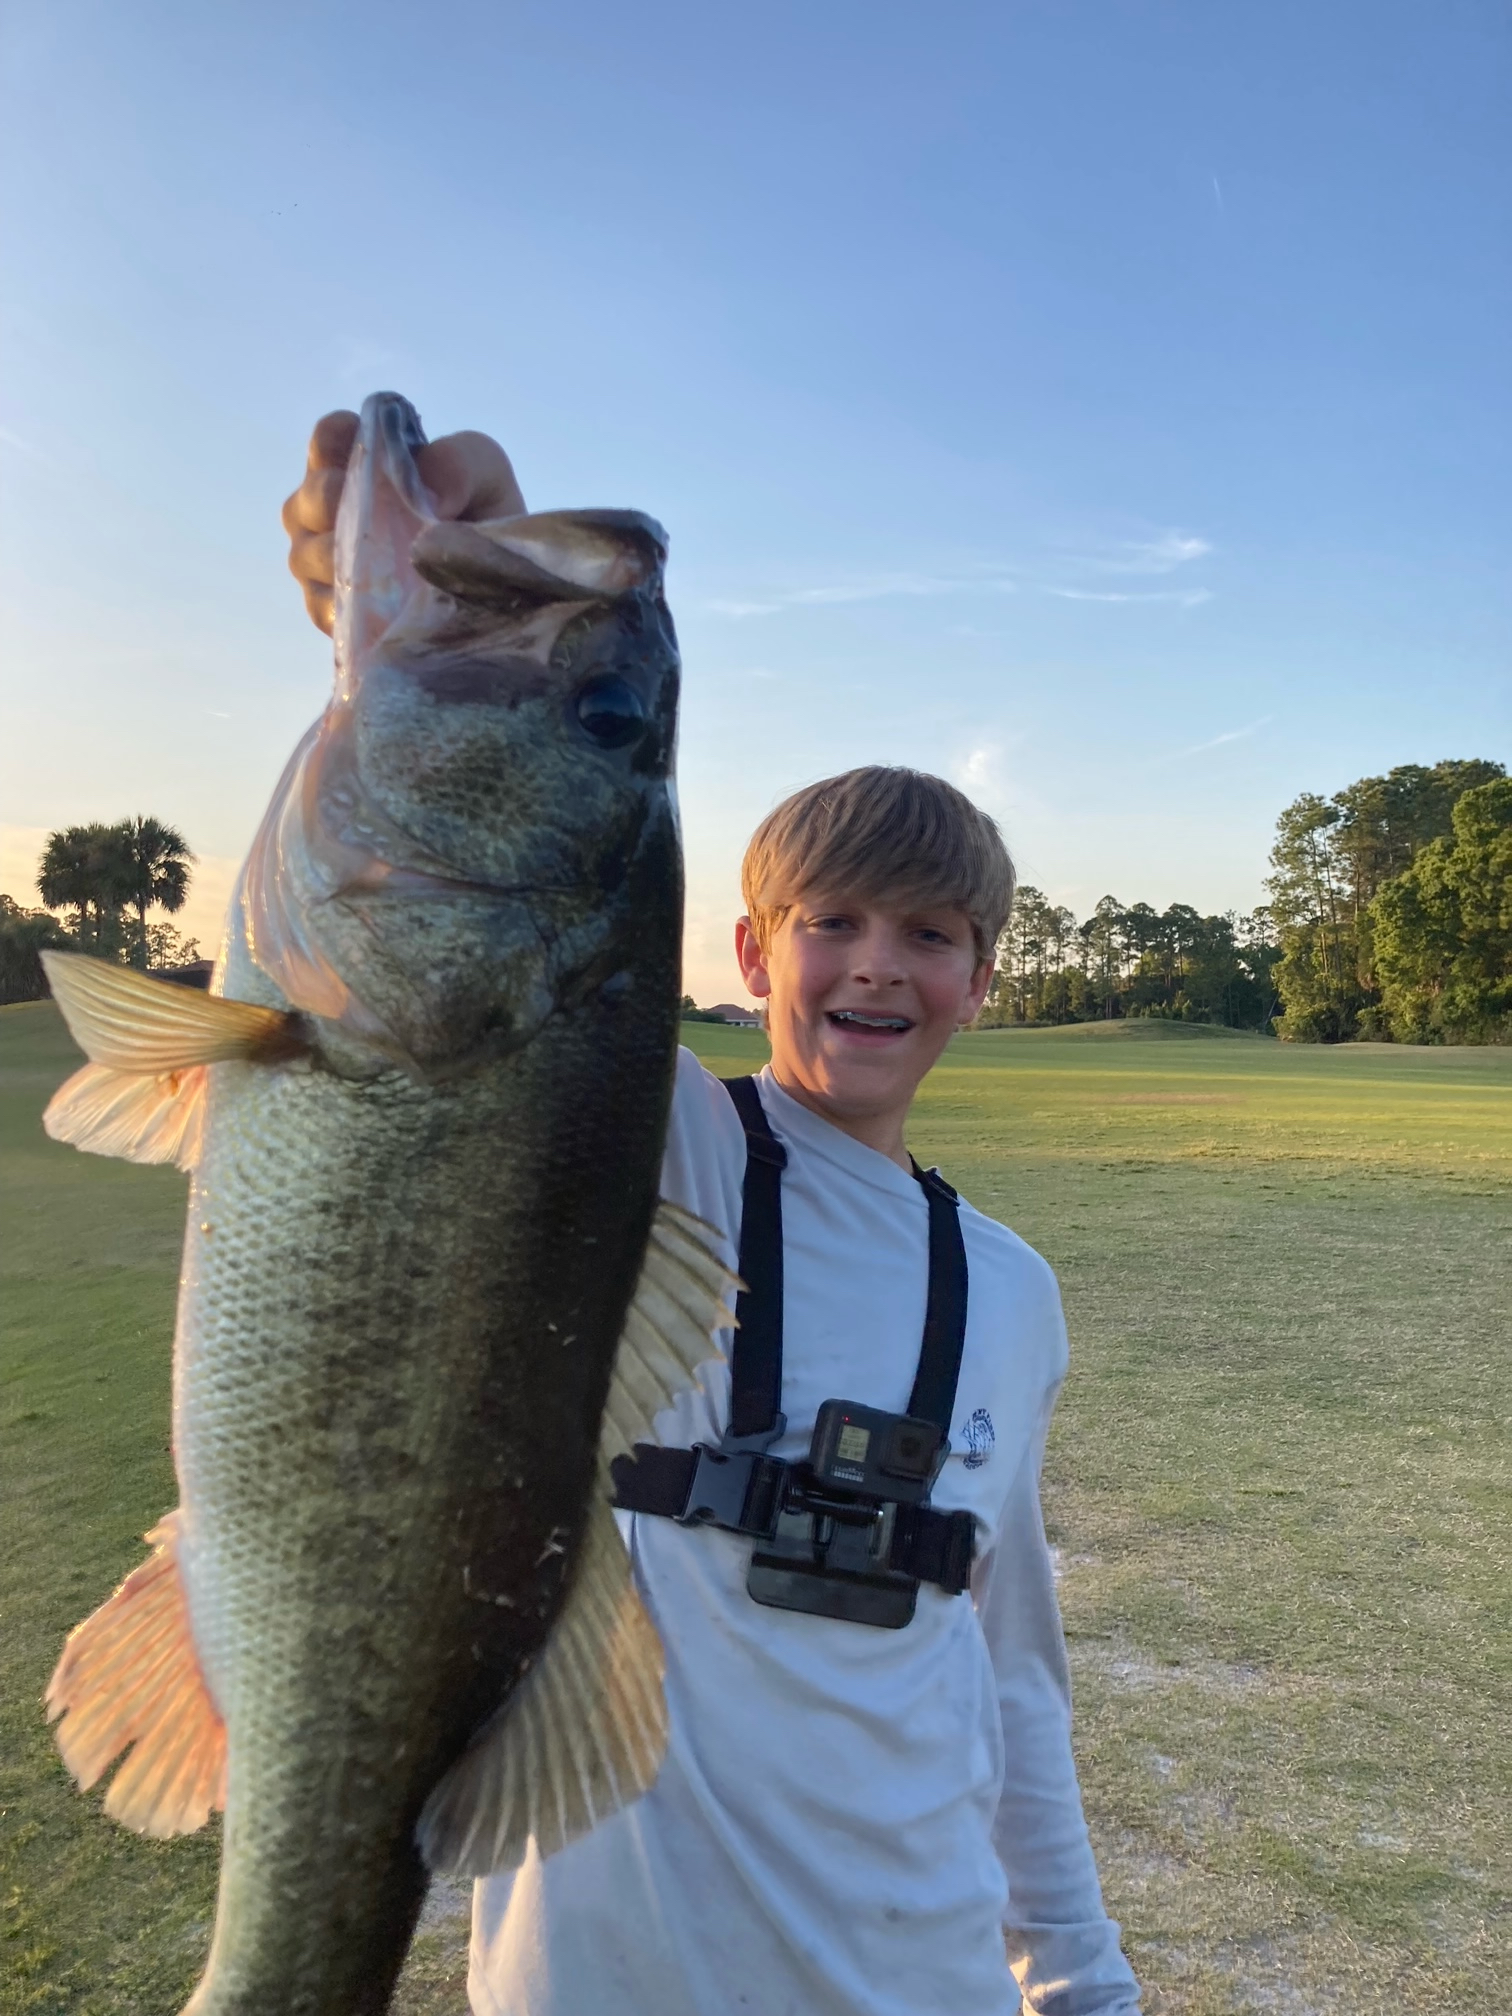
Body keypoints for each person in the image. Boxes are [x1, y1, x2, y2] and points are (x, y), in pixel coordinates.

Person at [284, 416, 1142, 2016]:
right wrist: (448, 607)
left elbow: (1012, 1667)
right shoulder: (643, 1142)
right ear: (752, 957)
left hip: (923, 1971)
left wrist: (1080, 1972)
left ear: (982, 979)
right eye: (832, 923)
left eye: (932, 933)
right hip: (606, 1976)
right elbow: (466, 959)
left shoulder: (1014, 1296)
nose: (878, 964)